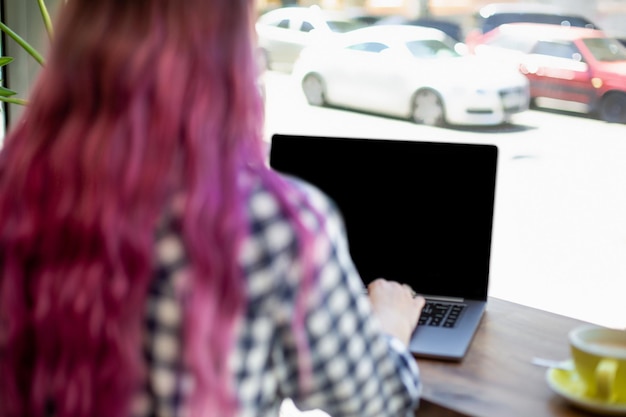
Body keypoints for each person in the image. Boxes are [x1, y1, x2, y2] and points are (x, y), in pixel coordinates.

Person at [0, 1, 426, 417]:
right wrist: (389, 320)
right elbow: (379, 402)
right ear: (231, 58)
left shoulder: (17, 189)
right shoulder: (270, 223)